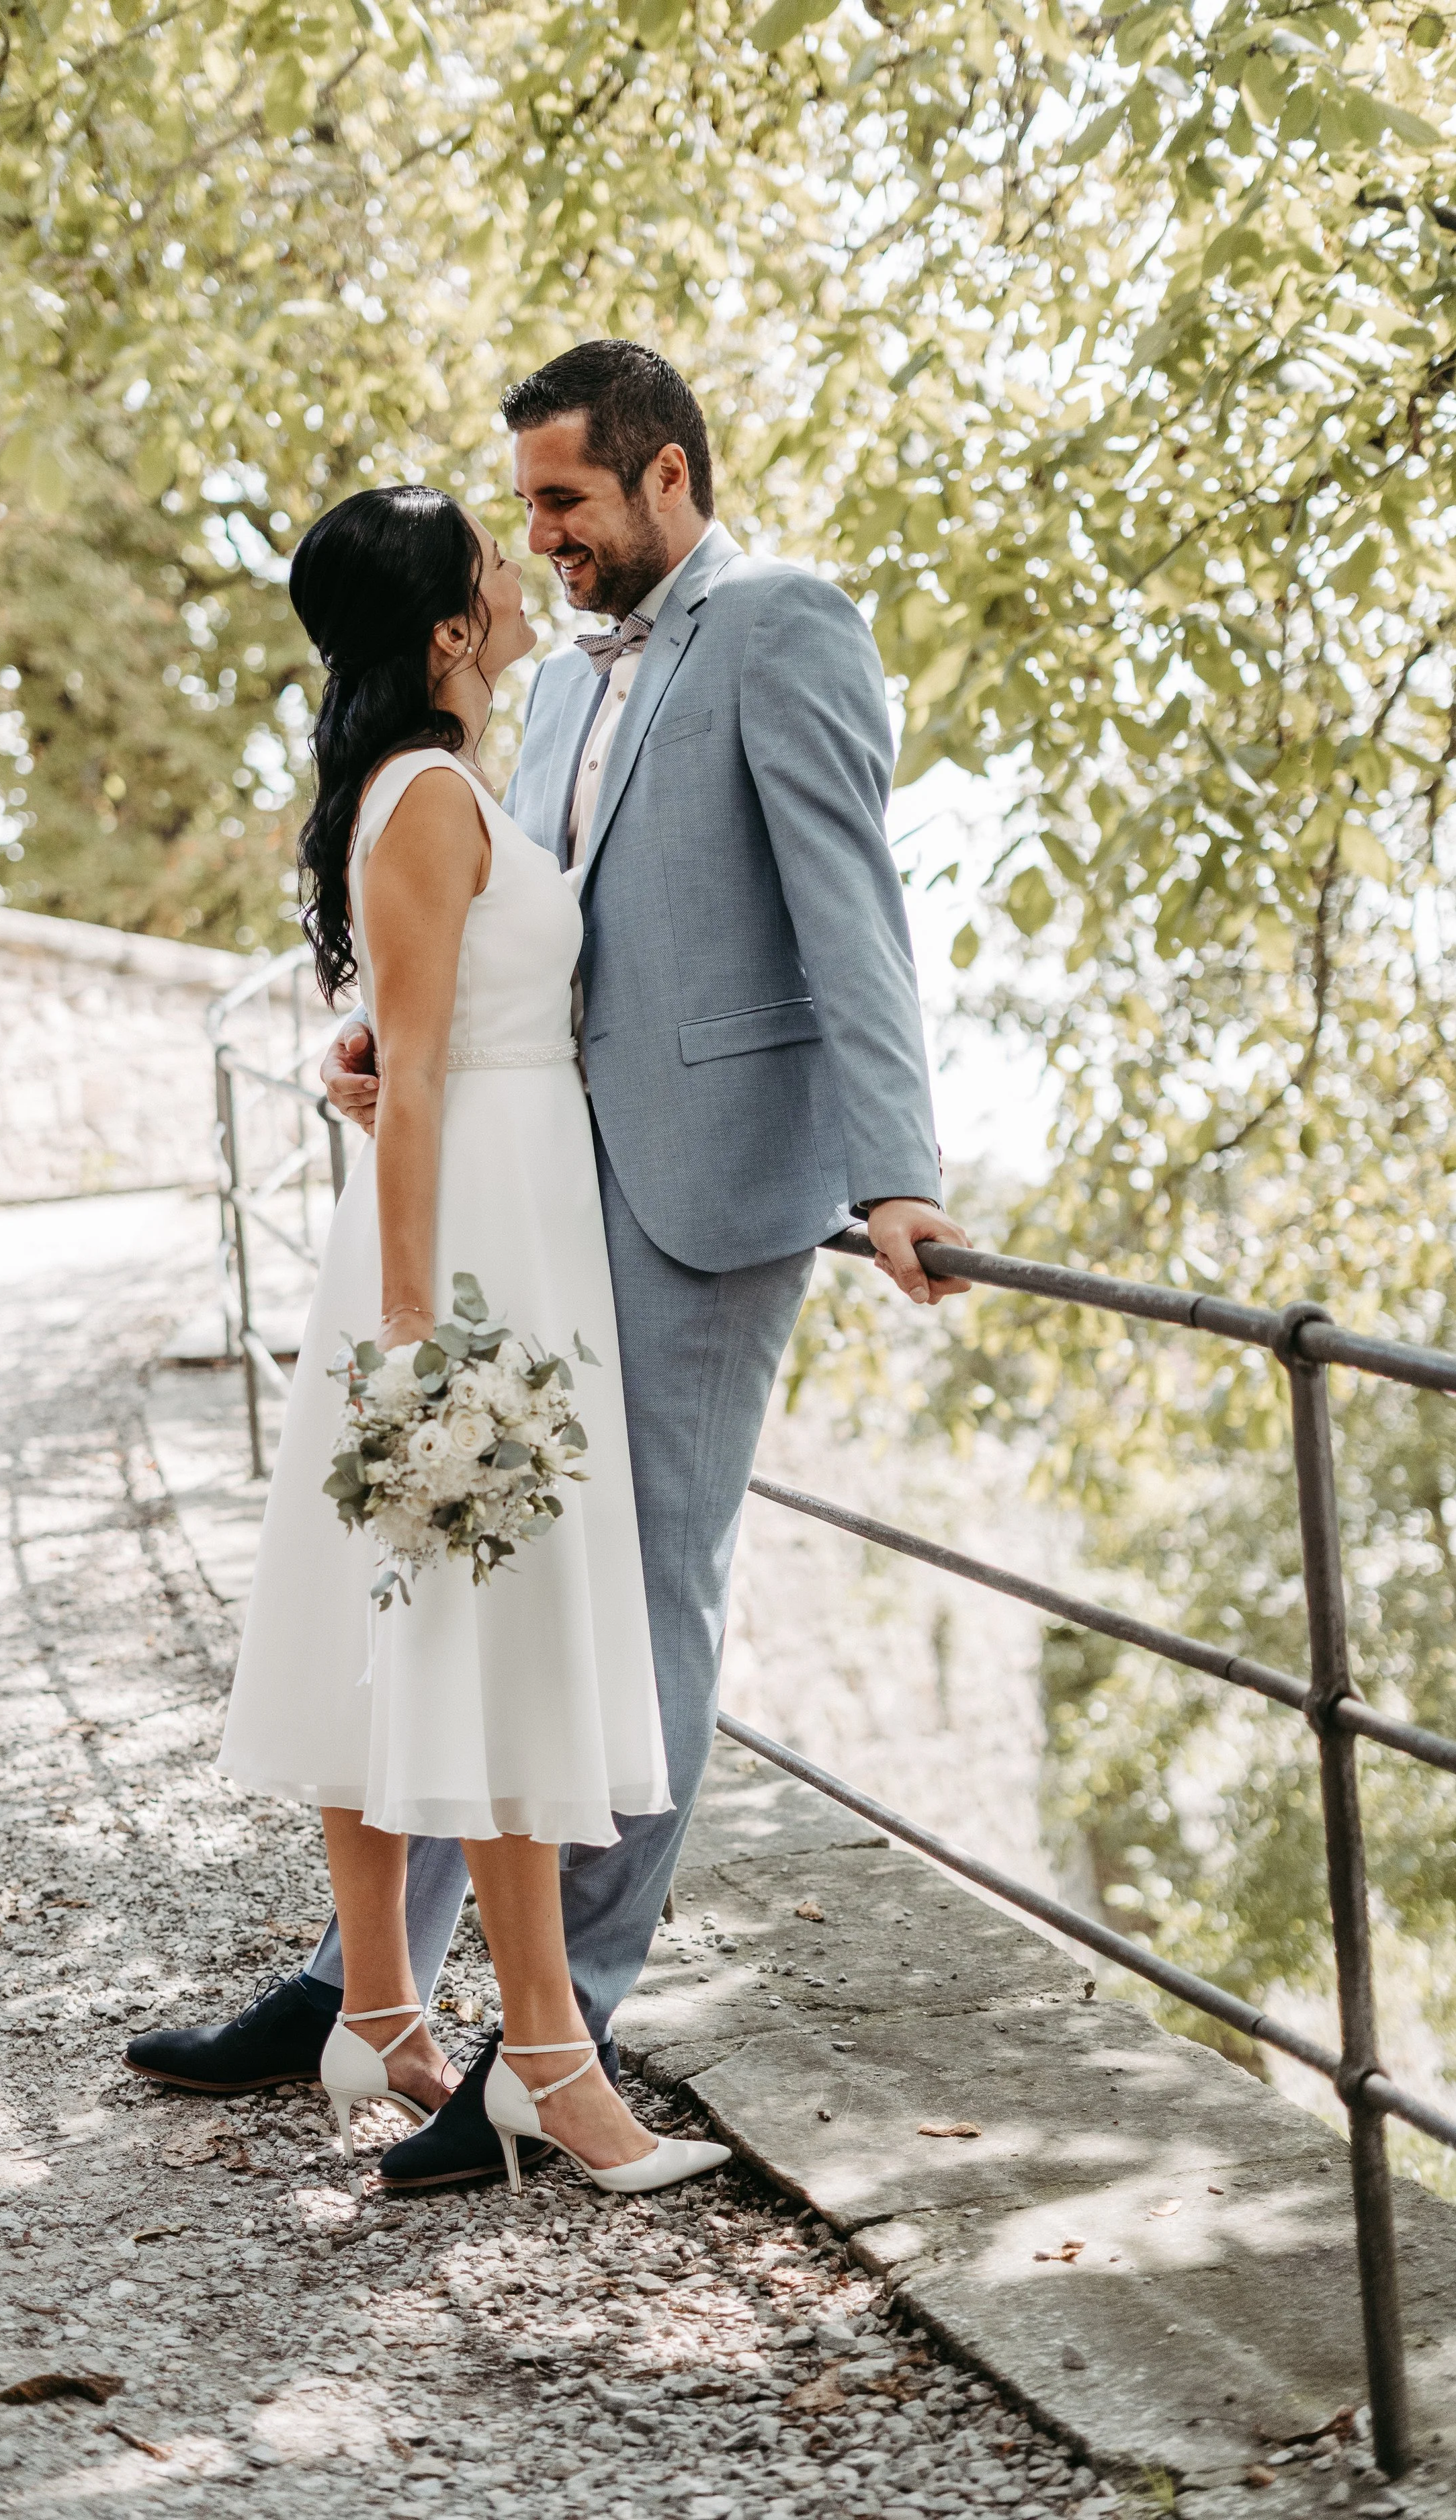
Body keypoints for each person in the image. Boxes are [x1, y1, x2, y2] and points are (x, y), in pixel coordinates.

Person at [127, 342, 970, 2185]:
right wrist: (393, 1048)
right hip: (539, 1189)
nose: (542, 544)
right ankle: (385, 1990)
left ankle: (543, 2022)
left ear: (667, 476)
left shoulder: (784, 624)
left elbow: (852, 909)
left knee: (632, 1602)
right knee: (481, 1588)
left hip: (701, 1195)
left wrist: (896, 1175)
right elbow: (524, 928)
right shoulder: (562, 687)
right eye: (520, 520)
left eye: (565, 505)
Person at [205, 479, 728, 2197]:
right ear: (448, 627)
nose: (515, 581)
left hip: (503, 1210)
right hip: (475, 1250)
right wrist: (421, 1331)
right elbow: (417, 1070)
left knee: (425, 1625)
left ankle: (378, 2009)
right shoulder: (426, 794)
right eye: (492, 568)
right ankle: (550, 2067)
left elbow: (399, 1030)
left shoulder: (428, 787)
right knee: (491, 1633)